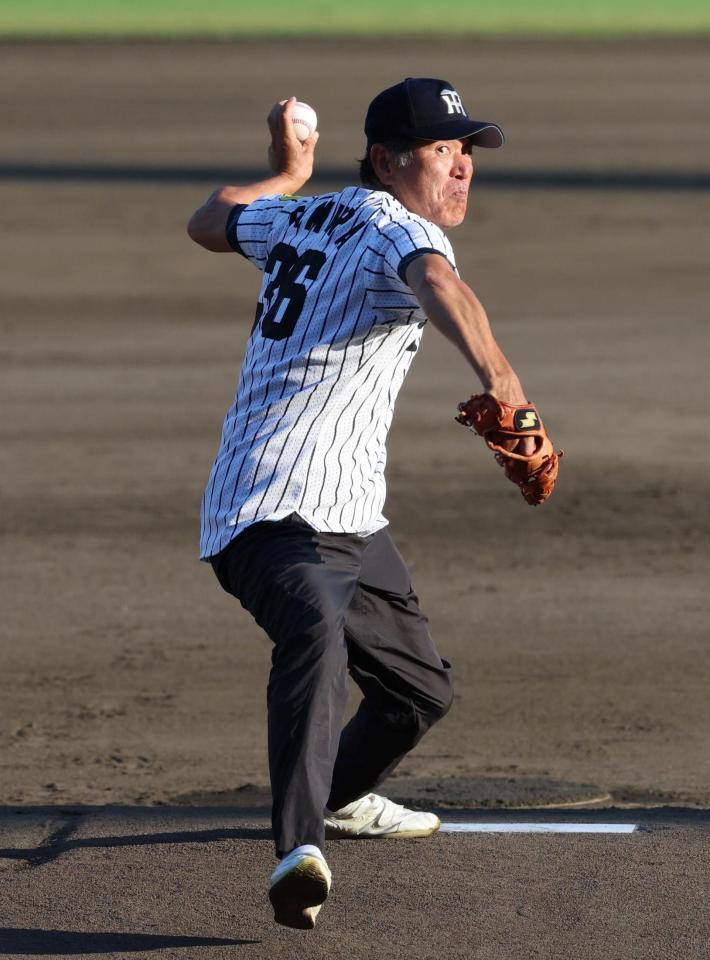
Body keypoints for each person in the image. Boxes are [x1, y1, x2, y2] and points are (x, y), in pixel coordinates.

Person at [187, 77, 533, 930]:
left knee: (420, 692)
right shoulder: (398, 227)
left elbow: (210, 216)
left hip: (350, 515)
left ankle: (339, 798)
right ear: (387, 159)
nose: (460, 168)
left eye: (465, 151)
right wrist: (506, 384)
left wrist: (288, 173)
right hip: (265, 508)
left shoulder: (307, 215)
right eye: (442, 151)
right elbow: (440, 285)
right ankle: (299, 850)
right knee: (314, 629)